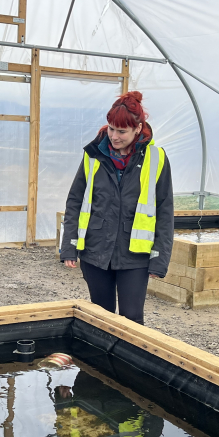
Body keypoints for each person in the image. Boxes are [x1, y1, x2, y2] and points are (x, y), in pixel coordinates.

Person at [60, 91, 174, 325]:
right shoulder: (93, 155)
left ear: (138, 128)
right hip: (95, 250)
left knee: (131, 318)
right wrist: (69, 246)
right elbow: (75, 201)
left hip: (135, 255)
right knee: (101, 318)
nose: (114, 136)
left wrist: (159, 259)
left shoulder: (157, 158)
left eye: (121, 131)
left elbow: (165, 211)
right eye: (111, 128)